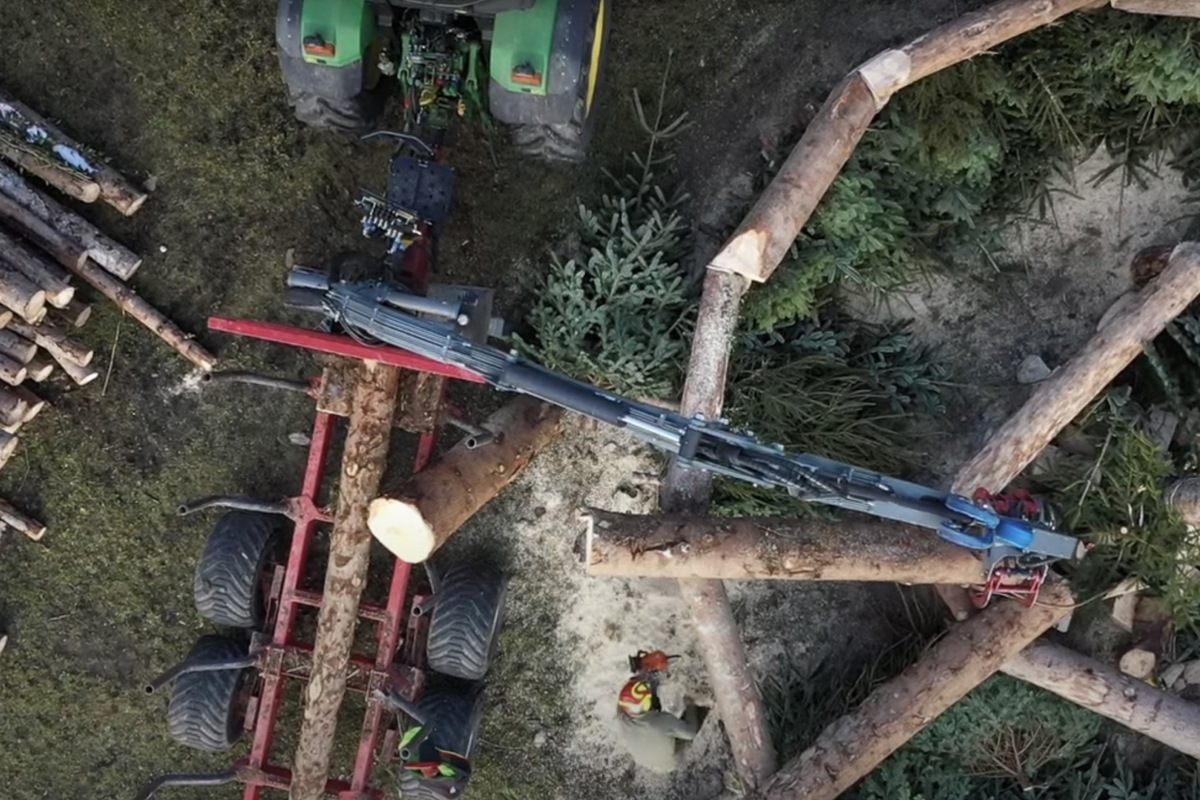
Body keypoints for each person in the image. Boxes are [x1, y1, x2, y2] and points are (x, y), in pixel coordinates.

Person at [615, 671, 706, 773]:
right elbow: (691, 733)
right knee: (693, 720)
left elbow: (624, 697)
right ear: (646, 703)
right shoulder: (663, 720)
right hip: (669, 765)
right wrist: (690, 704)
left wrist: (633, 682)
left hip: (645, 762)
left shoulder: (621, 716)